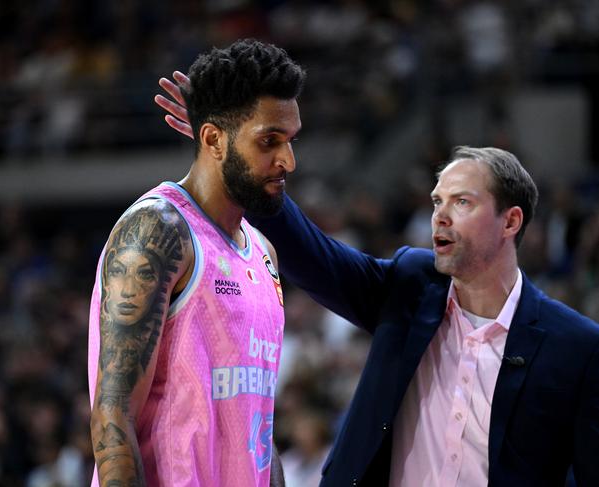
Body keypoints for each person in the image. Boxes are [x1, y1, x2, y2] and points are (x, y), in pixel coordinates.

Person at [158, 80, 599, 486]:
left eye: (462, 202)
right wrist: (239, 155)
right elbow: (313, 255)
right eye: (437, 202)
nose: (440, 216)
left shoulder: (575, 346)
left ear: (511, 221)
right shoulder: (411, 286)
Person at [88, 39, 305, 487]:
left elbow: (257, 425)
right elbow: (114, 416)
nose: (288, 160)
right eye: (270, 141)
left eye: (290, 140)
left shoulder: (264, 253)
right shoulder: (158, 230)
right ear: (211, 139)